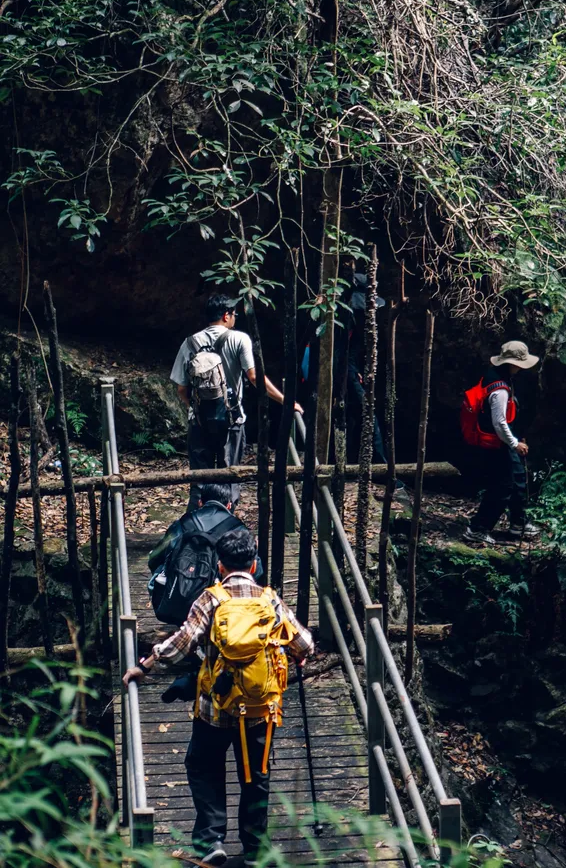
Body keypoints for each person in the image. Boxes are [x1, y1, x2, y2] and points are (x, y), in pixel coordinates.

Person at [124, 528, 314, 867]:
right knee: (256, 776)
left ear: (220, 566)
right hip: (259, 710)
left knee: (203, 766)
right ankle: (255, 849)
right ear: (253, 564)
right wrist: (293, 652)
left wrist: (146, 665)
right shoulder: (269, 599)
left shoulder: (211, 599)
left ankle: (211, 841)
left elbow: (182, 643)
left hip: (215, 708)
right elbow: (304, 644)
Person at [171, 294, 303, 511]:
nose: (235, 318)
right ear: (226, 316)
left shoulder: (190, 343)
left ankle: (194, 529)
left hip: (199, 421)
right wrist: (285, 401)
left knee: (199, 480)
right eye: (234, 314)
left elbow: (181, 388)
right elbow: (254, 378)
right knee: (230, 476)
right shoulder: (239, 339)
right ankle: (225, 526)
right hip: (231, 420)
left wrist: (194, 409)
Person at [463, 340, 541, 546]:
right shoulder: (500, 389)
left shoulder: (497, 376)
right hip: (495, 443)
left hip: (499, 441)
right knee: (501, 487)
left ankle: (519, 523)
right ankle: (478, 529)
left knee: (517, 478)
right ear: (513, 363)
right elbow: (499, 422)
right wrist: (515, 443)